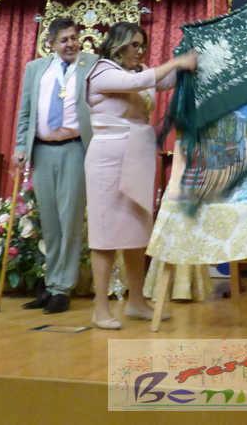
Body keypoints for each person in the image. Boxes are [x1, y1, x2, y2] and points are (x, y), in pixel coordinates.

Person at [84, 21, 197, 329]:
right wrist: (176, 62)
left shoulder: (140, 72)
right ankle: (101, 308)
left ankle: (136, 302)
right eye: (134, 44)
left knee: (136, 233)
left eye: (142, 45)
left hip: (137, 157)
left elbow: (165, 79)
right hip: (108, 159)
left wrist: (192, 54)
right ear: (118, 44)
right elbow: (142, 80)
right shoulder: (102, 71)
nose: (140, 51)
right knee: (105, 236)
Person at [13, 17, 98, 314]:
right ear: (50, 43)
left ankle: (63, 288)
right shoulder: (35, 68)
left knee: (69, 219)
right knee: (49, 222)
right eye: (64, 40)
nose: (71, 44)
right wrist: (20, 146)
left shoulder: (92, 64)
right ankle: (50, 285)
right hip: (42, 150)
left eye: (74, 38)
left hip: (75, 149)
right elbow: (25, 111)